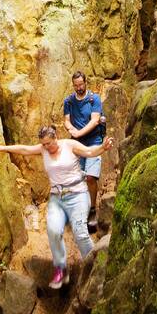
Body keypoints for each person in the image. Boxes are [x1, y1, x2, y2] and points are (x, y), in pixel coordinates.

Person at [0, 125, 114, 289]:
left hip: (78, 195)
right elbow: (24, 149)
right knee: (53, 230)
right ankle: (61, 269)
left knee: (80, 232)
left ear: (56, 137)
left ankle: (94, 265)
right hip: (57, 199)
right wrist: (1, 148)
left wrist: (102, 147)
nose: (46, 147)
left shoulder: (69, 145)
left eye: (49, 143)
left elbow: (90, 152)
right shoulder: (43, 150)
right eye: (43, 144)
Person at [63, 70, 105, 230]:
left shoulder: (94, 99)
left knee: (90, 177)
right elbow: (66, 120)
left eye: (81, 84)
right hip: (77, 144)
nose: (79, 88)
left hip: (94, 141)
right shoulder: (69, 101)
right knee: (78, 178)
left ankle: (93, 210)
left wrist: (79, 133)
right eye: (76, 85)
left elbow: (95, 121)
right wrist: (71, 129)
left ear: (85, 83)